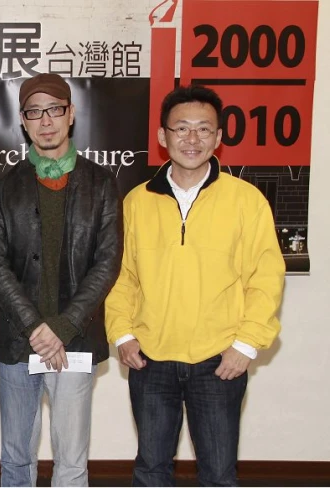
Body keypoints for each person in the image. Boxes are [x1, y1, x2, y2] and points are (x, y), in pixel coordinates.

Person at [105, 85, 285, 486]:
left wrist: (245, 345)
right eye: (181, 128)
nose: (192, 139)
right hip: (151, 359)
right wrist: (123, 334)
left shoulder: (246, 200)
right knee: (151, 470)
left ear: (219, 138)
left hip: (219, 361)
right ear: (162, 136)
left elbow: (266, 277)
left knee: (219, 474)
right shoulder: (136, 201)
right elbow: (121, 277)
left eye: (204, 130)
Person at [0, 73, 122, 487]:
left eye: (55, 110)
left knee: (72, 461)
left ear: (71, 115)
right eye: (34, 112)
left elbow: (107, 263)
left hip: (75, 341)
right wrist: (35, 328)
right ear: (23, 121)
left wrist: (60, 328)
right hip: (16, 340)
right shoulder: (5, 185)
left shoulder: (101, 183)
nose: (46, 121)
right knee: (15, 459)